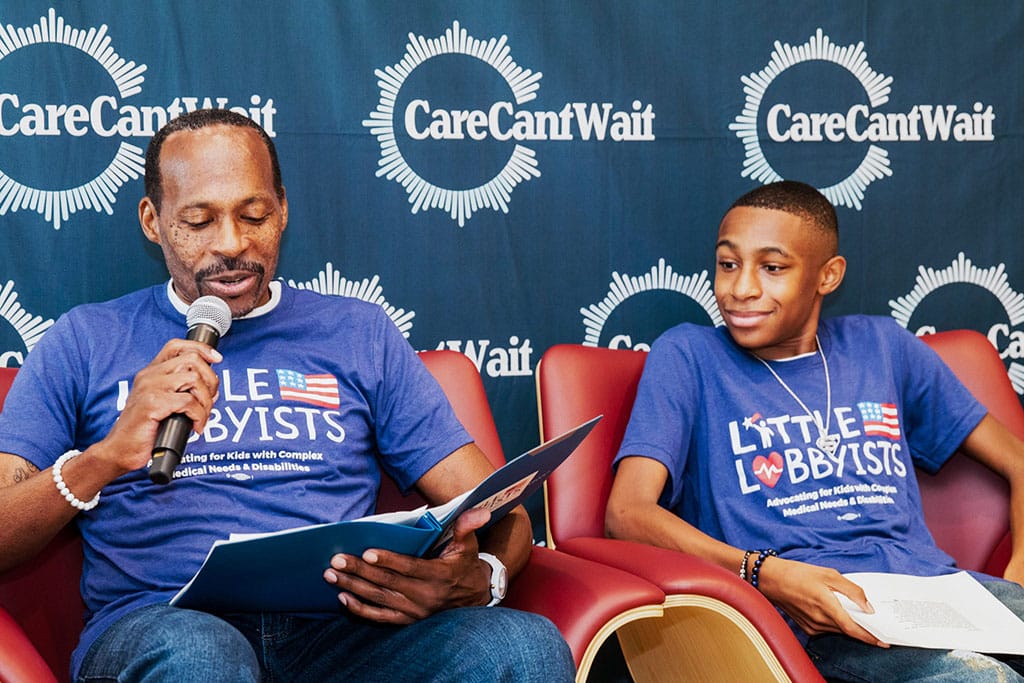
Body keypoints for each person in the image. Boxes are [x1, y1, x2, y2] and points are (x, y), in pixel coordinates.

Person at [0, 108, 574, 682]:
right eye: (198, 221)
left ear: (283, 212)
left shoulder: (359, 333)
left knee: (520, 647)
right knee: (203, 655)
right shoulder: (85, 340)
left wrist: (483, 577)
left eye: (254, 215)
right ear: (153, 221)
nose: (232, 244)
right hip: (164, 626)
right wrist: (104, 458)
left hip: (341, 634)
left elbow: (500, 509)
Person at [606, 180, 1024, 681]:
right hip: (806, 617)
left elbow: (1017, 460)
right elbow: (627, 514)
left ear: (828, 275)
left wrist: (1019, 569)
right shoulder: (689, 356)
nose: (741, 289)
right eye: (728, 264)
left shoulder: (882, 345)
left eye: (772, 268)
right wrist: (763, 572)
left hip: (935, 592)